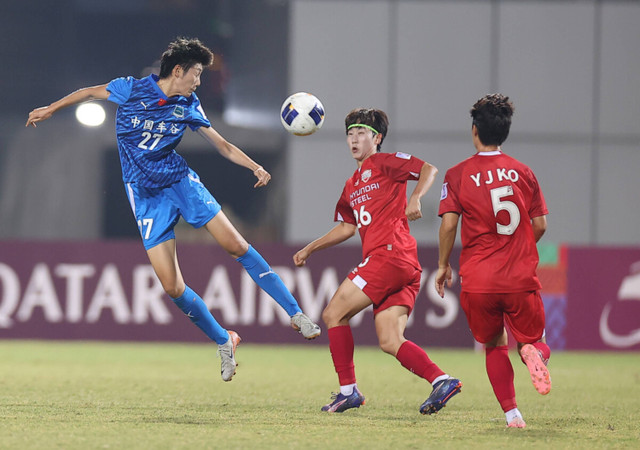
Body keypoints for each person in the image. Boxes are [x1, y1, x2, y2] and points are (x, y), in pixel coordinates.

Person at [26, 37, 320, 382]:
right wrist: (51, 108)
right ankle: (225, 340)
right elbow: (89, 92)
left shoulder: (189, 105)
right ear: (177, 71)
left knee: (236, 246)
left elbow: (221, 144)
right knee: (172, 286)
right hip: (145, 195)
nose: (198, 82)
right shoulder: (131, 90)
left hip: (181, 183)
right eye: (196, 74)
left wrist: (254, 166)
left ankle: (296, 313)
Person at [294, 108, 462, 414]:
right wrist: (311, 248)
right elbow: (348, 227)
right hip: (403, 265)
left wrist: (415, 198)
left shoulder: (385, 163)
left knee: (333, 314)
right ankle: (442, 380)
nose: (354, 139)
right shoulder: (351, 184)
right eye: (350, 134)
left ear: (377, 138)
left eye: (361, 133)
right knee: (389, 339)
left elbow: (429, 169)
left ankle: (349, 392)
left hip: (389, 255)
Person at [436, 94, 551, 428]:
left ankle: (513, 415)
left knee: (493, 344)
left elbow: (448, 224)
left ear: (475, 131)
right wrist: (520, 245)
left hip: (479, 281)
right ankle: (534, 354)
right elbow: (540, 224)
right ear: (505, 133)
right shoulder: (523, 172)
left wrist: (443, 266)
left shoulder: (458, 174)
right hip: (519, 278)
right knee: (535, 341)